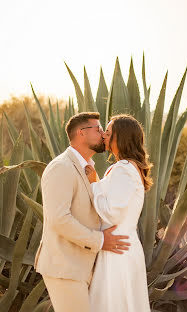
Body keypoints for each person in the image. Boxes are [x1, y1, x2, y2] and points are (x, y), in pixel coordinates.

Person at [34, 112, 130, 312]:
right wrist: (101, 241)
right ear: (81, 133)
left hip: (83, 266)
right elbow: (59, 219)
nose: (103, 134)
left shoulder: (88, 168)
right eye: (98, 129)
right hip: (64, 267)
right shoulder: (61, 167)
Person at [85, 114, 152, 312]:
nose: (103, 135)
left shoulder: (123, 169)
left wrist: (94, 184)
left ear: (120, 138)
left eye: (108, 132)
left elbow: (112, 214)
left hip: (118, 250)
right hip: (119, 247)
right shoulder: (126, 168)